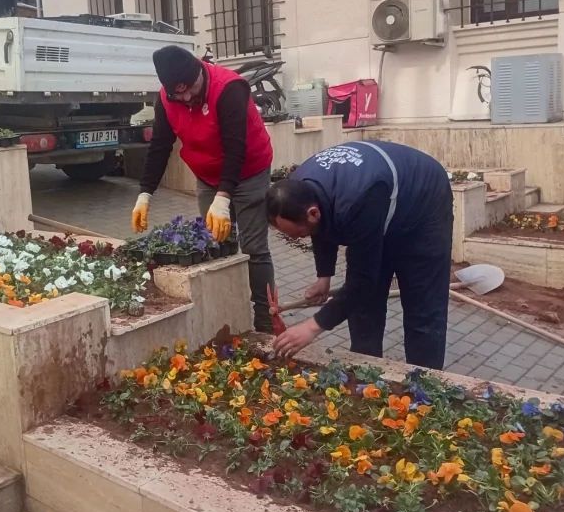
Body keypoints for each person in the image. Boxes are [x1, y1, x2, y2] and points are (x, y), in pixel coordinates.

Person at [266, 140, 454, 369]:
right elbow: (321, 227)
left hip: (424, 204)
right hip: (377, 208)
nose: (296, 239)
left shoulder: (358, 198)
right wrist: (323, 276)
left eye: (298, 234)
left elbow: (362, 282)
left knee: (422, 305)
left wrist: (312, 327)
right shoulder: (301, 188)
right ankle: (368, 376)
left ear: (312, 212)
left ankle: (425, 384)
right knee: (363, 309)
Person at [131, 45, 276, 332]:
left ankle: (265, 319)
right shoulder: (167, 97)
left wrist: (224, 199)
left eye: (190, 89)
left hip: (249, 170)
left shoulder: (229, 88)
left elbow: (236, 149)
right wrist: (145, 193)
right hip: (208, 175)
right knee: (214, 246)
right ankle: (229, 314)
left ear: (199, 70)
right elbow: (160, 146)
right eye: (177, 94)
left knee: (254, 249)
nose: (185, 98)